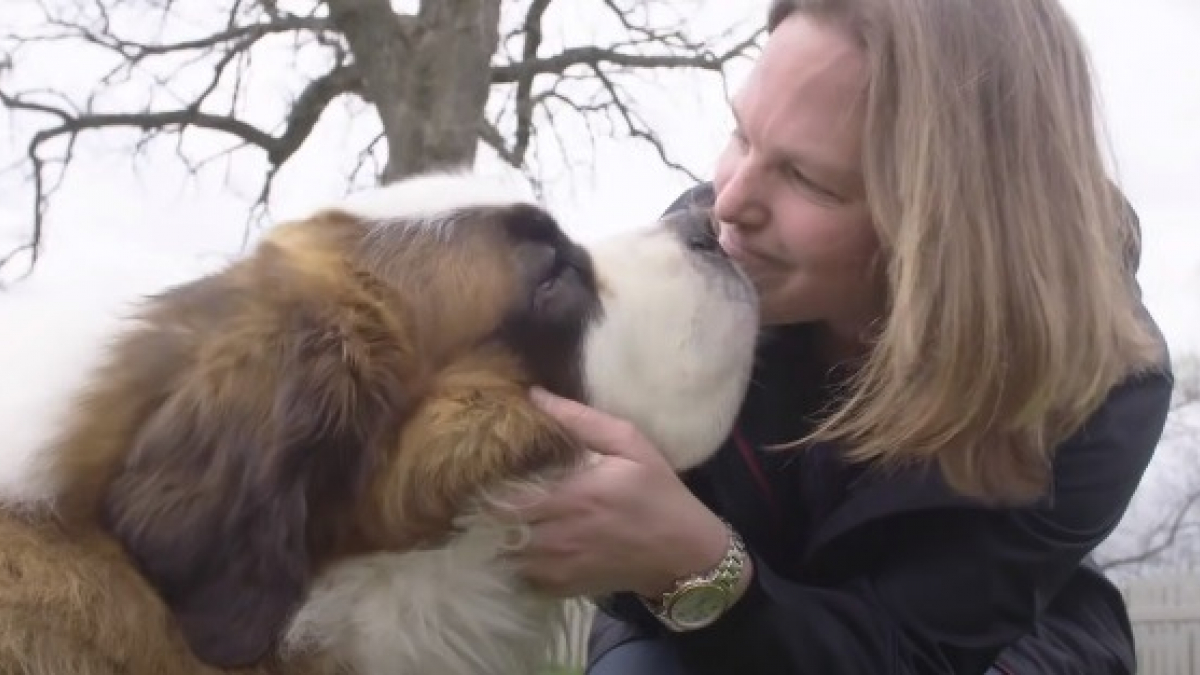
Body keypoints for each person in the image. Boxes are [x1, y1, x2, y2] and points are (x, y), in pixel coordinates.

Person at [493, 0, 1175, 673]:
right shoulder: (700, 261)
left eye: (805, 177)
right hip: (688, 620)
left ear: (942, 230)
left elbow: (913, 651)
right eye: (741, 134)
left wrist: (704, 566)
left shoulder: (1100, 389)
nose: (728, 201)